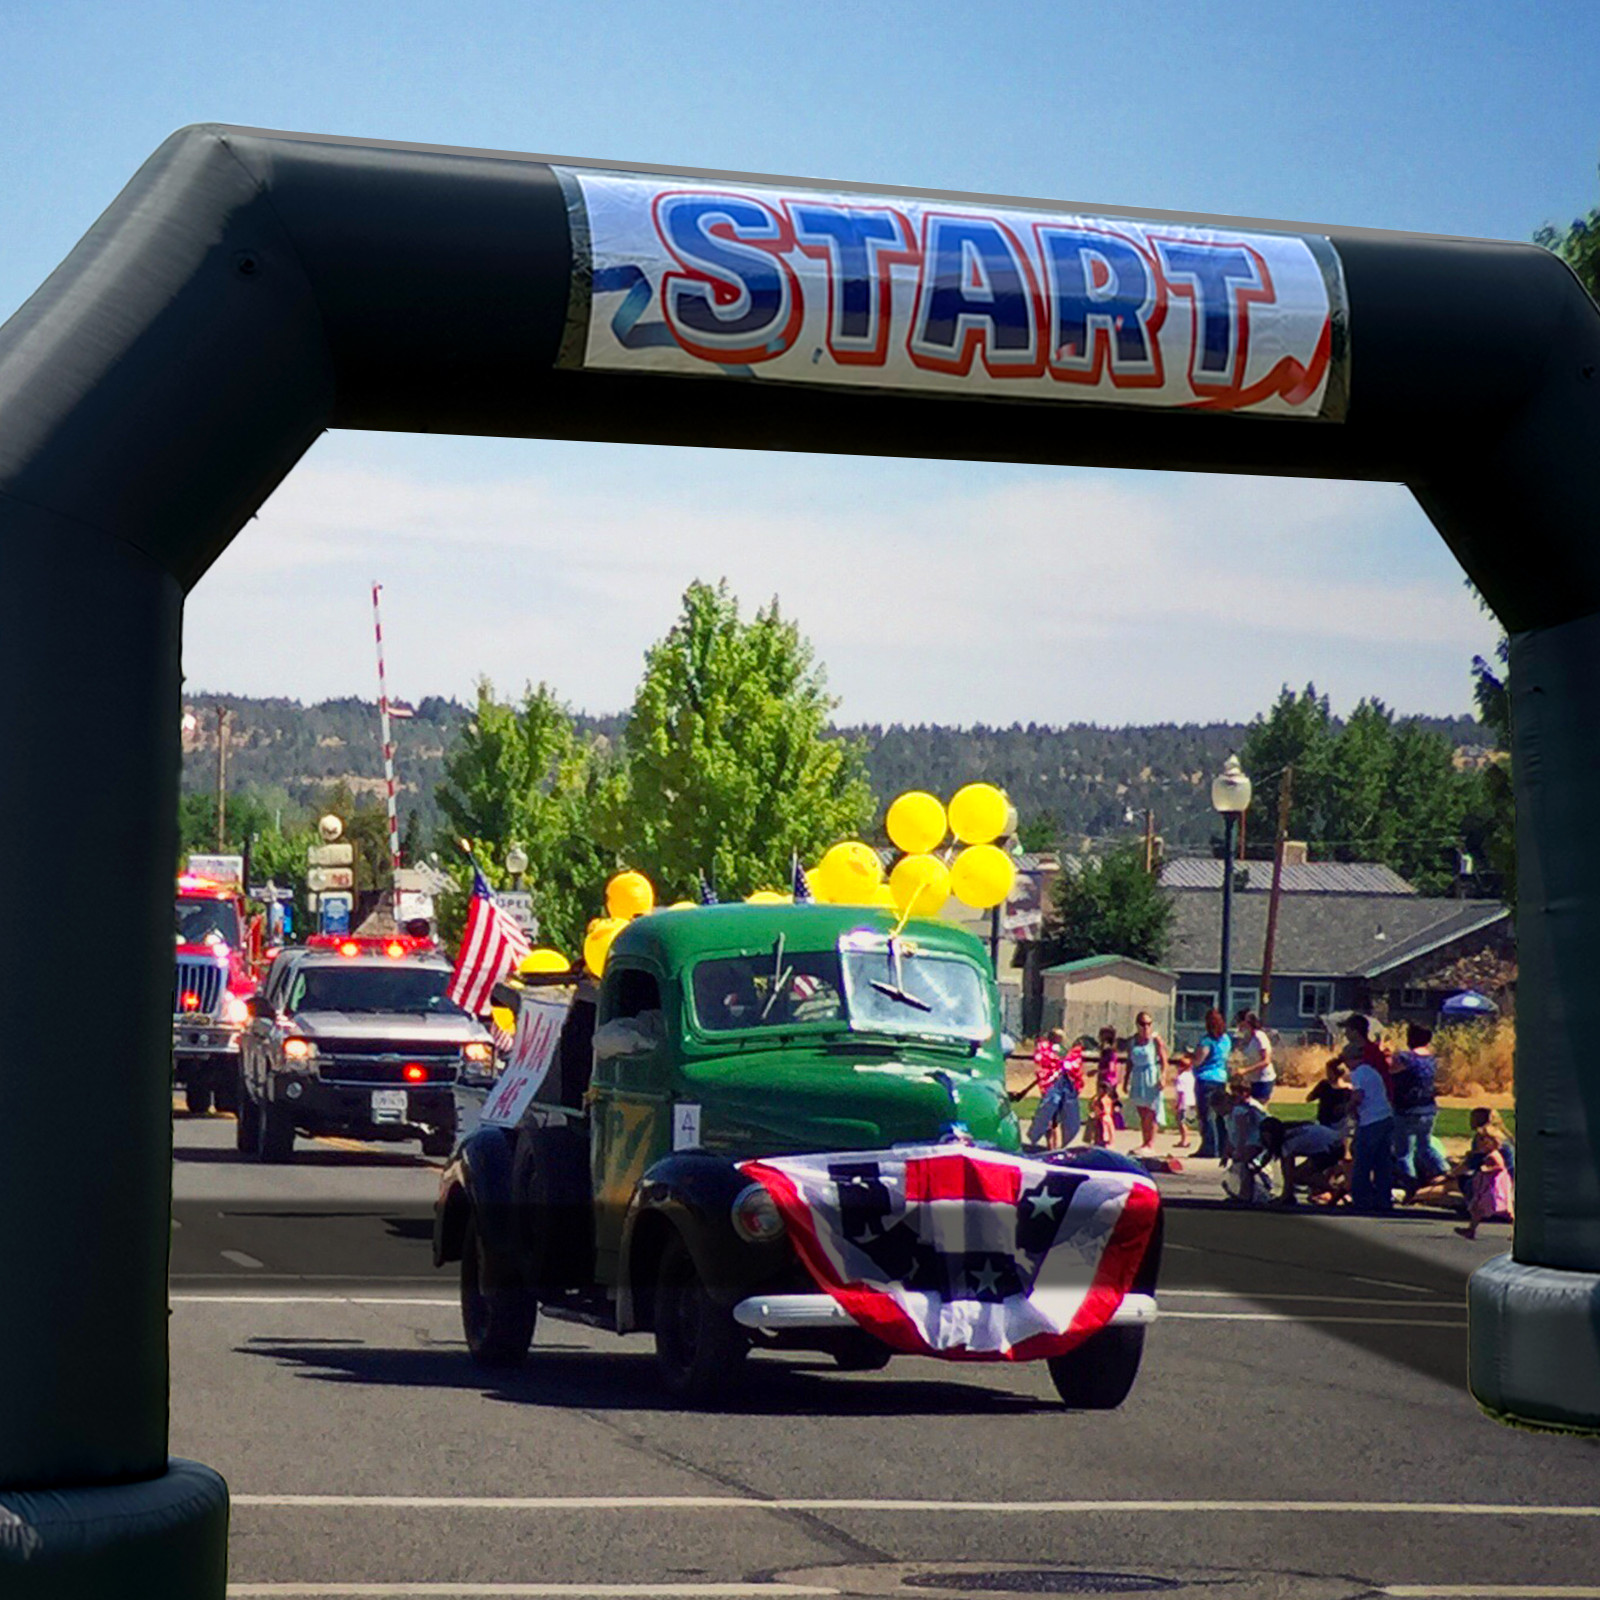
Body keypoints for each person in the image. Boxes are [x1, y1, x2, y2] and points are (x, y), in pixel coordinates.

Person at [1391, 1024, 1448, 1200]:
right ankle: (1445, 1171)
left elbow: (1390, 1070)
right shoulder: (1433, 1060)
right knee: (1425, 1146)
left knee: (1404, 1152)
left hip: (1406, 1109)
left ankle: (1411, 1185)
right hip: (1428, 1108)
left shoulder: (1405, 1058)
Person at [1347, 1030, 1396, 1213]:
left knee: (1363, 1162)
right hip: (1386, 1117)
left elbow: (1358, 1096)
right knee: (1382, 1162)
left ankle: (1361, 1200)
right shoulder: (1373, 1071)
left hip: (1371, 1121)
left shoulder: (1358, 1073)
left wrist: (1348, 1108)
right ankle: (1384, 1199)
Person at [1261, 1116, 1346, 1207]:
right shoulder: (1289, 1131)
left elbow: (1288, 1172)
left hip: (1332, 1148)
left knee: (1298, 1176)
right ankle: (1329, 1190)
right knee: (1303, 1172)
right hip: (1333, 1141)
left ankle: (1335, 1189)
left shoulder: (1288, 1142)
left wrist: (1285, 1197)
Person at [1123, 1011, 1169, 1153]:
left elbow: (1164, 1060)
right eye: (1143, 1024)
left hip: (1151, 1075)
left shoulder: (1155, 1041)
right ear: (1137, 1025)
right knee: (1142, 1112)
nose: (1146, 1027)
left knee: (1152, 1110)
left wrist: (1163, 1076)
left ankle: (1151, 1143)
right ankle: (1144, 1141)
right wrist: (1126, 1080)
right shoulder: (1132, 1041)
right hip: (1138, 1076)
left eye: (1148, 1024)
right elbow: (1129, 1062)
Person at [1456, 1130, 1514, 1239]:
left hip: (1494, 1186)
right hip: (1485, 1185)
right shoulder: (1486, 1155)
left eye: (1483, 1140)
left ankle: (1517, 1230)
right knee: (1477, 1208)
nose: (1479, 1143)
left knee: (1503, 1210)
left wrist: (1487, 1169)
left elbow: (1500, 1167)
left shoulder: (1494, 1155)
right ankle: (1471, 1229)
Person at [1190, 1009, 1232, 1158]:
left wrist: (1191, 1058)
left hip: (1206, 1079)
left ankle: (1209, 1147)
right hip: (1221, 1078)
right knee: (1219, 1114)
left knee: (1206, 1114)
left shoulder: (1207, 1041)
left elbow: (1199, 1060)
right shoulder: (1226, 1039)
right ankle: (1222, 1147)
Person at [1233, 1010, 1276, 1103]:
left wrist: (1245, 1070)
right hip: (1255, 1080)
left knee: (1258, 1111)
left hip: (1264, 1080)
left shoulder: (1259, 1036)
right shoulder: (1251, 1037)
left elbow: (1266, 1061)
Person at [1307, 1058, 1354, 1129]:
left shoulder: (1324, 1085)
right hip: (1336, 1122)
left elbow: (1309, 1098)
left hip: (1329, 1123)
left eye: (1329, 1071)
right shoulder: (1348, 1089)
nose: (1327, 1074)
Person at [1172, 1055, 1196, 1150]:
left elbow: (1181, 1092)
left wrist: (1178, 1104)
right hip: (1191, 1101)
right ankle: (1186, 1138)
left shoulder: (1181, 1078)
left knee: (1181, 1121)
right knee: (1187, 1121)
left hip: (1183, 1102)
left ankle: (1184, 1140)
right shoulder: (1191, 1076)